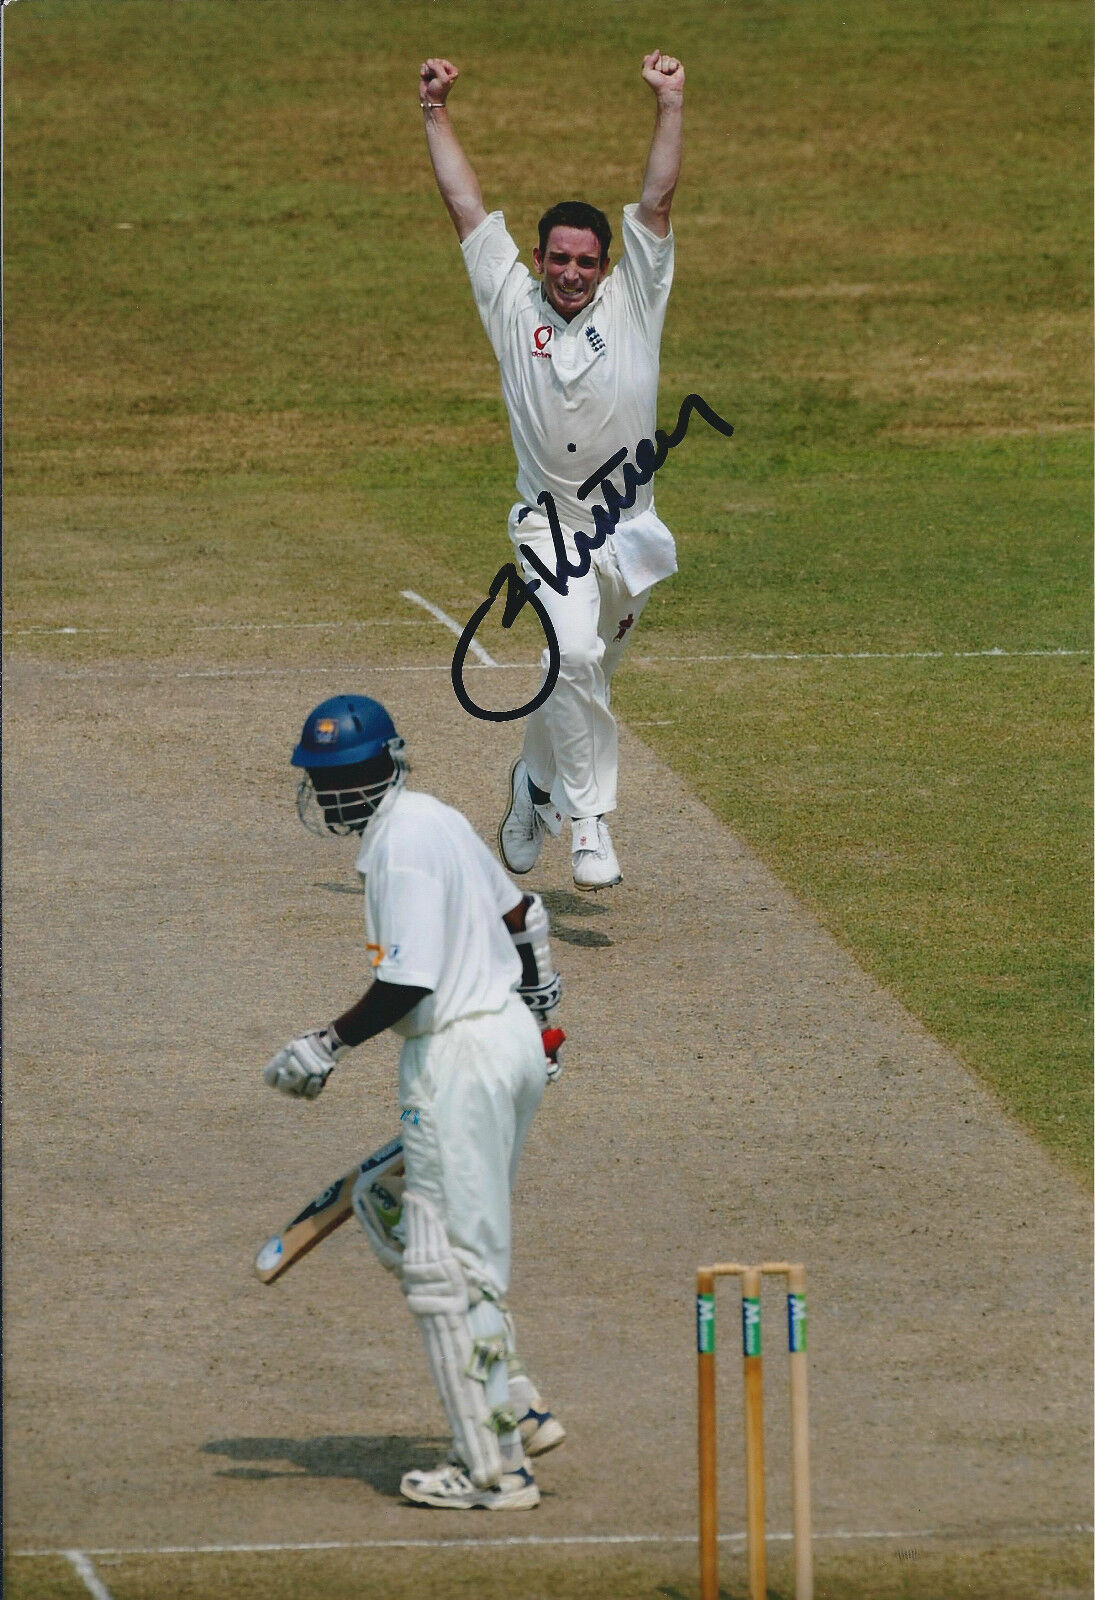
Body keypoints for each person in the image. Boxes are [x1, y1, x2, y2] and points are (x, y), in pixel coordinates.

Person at [262, 693, 566, 1510]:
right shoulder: (433, 814)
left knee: (447, 1270)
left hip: (454, 1059)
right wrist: (538, 1026)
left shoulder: (398, 847)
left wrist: (322, 1048)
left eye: (336, 778)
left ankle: (492, 1471)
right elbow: (527, 918)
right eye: (324, 779)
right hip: (505, 1043)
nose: (331, 793)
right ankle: (514, 1404)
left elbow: (408, 980)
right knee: (386, 1200)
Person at [419, 50, 685, 892]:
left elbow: (658, 200)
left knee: (582, 675)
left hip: (627, 534)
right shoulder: (508, 299)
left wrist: (669, 104)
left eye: (584, 261)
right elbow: (463, 204)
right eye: (557, 258)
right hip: (549, 527)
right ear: (536, 258)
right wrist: (435, 113)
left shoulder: (635, 297)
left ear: (606, 265)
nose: (569, 272)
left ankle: (530, 784)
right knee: (569, 658)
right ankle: (589, 823)